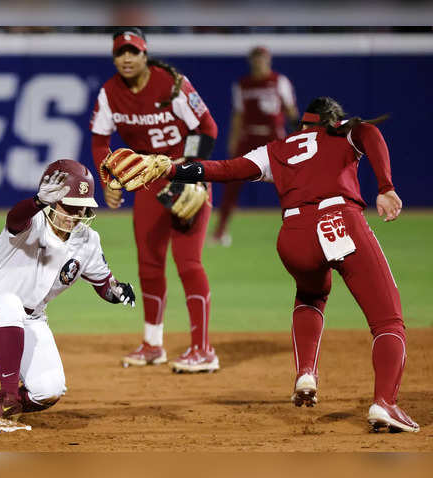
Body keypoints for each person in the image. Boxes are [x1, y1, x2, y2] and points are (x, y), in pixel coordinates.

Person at [161, 96, 419, 432]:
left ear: (303, 125)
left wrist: (171, 168)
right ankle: (385, 403)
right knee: (388, 322)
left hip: (294, 235)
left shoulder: (276, 149)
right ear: (333, 120)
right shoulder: (340, 132)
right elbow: (369, 132)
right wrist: (385, 186)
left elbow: (225, 169)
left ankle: (305, 374)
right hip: (340, 221)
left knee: (311, 295)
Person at [0, 159, 136, 417]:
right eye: (70, 206)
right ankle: (8, 394)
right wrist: (36, 202)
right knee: (10, 304)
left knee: (48, 390)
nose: (76, 215)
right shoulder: (33, 222)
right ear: (52, 201)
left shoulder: (88, 240)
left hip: (29, 321)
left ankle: (2, 407)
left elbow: (104, 283)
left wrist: (117, 292)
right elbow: (15, 218)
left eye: (82, 208)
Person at [90, 27, 220, 373]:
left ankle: (203, 349)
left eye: (133, 51)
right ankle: (152, 344)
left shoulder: (172, 84)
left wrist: (190, 171)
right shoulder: (110, 93)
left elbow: (207, 127)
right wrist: (110, 178)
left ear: (145, 54)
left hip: (184, 175)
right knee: (148, 263)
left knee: (188, 262)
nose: (127, 58)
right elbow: (100, 142)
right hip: (148, 181)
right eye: (120, 53)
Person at [213, 46, 298, 246]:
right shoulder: (243, 84)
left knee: (290, 184)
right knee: (231, 183)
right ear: (251, 61)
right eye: (256, 59)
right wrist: (233, 141)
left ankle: (302, 227)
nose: (259, 62)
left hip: (274, 138)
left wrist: (297, 133)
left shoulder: (279, 81)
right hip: (249, 136)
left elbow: (290, 109)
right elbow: (238, 114)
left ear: (268, 60)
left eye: (262, 58)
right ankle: (220, 231)